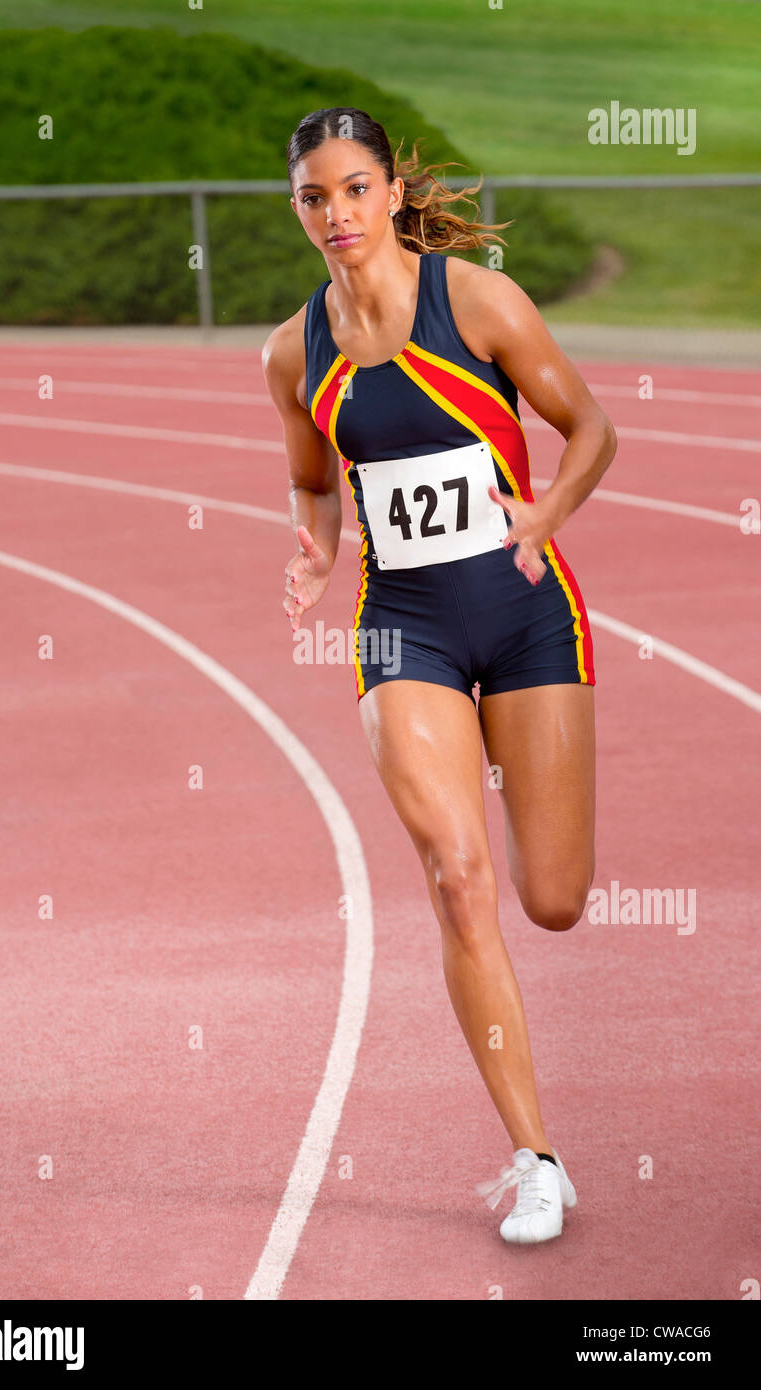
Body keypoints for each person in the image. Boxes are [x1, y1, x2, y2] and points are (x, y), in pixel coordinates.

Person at [261, 107, 617, 1244]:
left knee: (551, 898)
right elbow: (314, 482)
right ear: (298, 209)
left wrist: (548, 508)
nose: (337, 215)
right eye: (315, 197)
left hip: (525, 616)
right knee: (457, 873)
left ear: (393, 193)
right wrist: (318, 551)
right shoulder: (293, 352)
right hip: (401, 625)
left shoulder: (477, 302)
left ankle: (537, 1140)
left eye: (355, 189)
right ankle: (535, 1158)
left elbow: (591, 425)